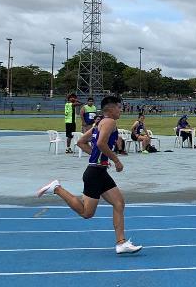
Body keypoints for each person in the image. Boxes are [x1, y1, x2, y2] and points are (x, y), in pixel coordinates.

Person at [36, 96, 142, 255]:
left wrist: (99, 157)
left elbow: (81, 142)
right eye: (119, 107)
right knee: (87, 213)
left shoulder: (99, 123)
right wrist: (116, 160)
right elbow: (100, 143)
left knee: (119, 203)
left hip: (99, 171)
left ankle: (121, 243)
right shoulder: (109, 122)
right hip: (95, 174)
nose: (121, 110)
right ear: (110, 109)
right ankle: (57, 188)